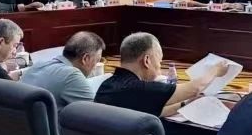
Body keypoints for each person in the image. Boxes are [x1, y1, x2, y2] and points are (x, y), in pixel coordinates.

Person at [95, 32, 227, 118]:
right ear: (147, 61)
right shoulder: (139, 89)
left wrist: (185, 103)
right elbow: (195, 89)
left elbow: (156, 110)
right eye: (159, 61)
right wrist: (216, 70)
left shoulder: (107, 85)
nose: (159, 67)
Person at [20, 31, 106, 107]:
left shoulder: (38, 65)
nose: (95, 66)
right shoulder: (71, 75)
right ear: (85, 58)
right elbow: (96, 113)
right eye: (97, 60)